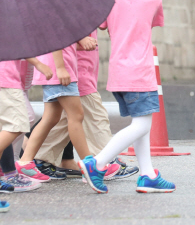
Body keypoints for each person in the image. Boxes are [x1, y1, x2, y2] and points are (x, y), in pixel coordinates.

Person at [79, 0, 175, 194]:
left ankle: (147, 175)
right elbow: (151, 22)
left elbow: (101, 25)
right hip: (140, 72)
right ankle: (97, 164)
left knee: (139, 122)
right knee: (142, 125)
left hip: (119, 74)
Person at [33, 31, 138, 180]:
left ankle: (38, 160)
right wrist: (80, 39)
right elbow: (57, 32)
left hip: (78, 68)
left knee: (62, 120)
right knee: (94, 116)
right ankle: (102, 162)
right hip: (73, 71)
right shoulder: (70, 11)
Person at [17, 45, 95, 182]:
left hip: (57, 68)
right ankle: (90, 167)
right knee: (76, 116)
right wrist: (60, 68)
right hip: (59, 69)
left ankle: (25, 162)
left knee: (51, 118)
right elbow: (54, 38)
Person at [0, 58, 50, 191]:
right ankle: (10, 174)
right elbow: (20, 40)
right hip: (6, 76)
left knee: (8, 126)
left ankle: (10, 173)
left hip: (12, 76)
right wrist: (39, 63)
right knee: (17, 123)